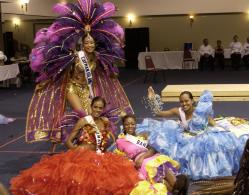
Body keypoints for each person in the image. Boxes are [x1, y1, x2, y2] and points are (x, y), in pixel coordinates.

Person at [26, 0, 133, 147]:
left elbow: (106, 69)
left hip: (86, 88)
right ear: (82, 44)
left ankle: (85, 140)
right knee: (82, 113)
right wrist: (44, 83)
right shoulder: (75, 57)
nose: (90, 45)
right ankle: (71, 141)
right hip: (72, 88)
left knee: (92, 114)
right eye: (87, 43)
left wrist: (112, 73)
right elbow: (59, 71)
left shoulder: (97, 56)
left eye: (92, 43)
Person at [10, 97, 140, 195]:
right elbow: (69, 141)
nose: (97, 110)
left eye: (100, 108)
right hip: (82, 155)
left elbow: (108, 140)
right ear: (91, 107)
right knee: (79, 183)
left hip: (99, 155)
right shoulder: (84, 121)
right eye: (95, 107)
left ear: (103, 109)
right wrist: (75, 153)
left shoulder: (105, 121)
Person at [141, 86, 249, 180]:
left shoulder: (200, 111)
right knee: (168, 137)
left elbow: (211, 122)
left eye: (186, 101)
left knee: (218, 145)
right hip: (186, 138)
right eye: (181, 101)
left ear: (192, 101)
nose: (184, 104)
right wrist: (151, 99)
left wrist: (222, 129)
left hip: (202, 136)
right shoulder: (178, 111)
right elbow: (158, 113)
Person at [115, 114, 188, 195]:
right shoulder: (120, 141)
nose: (130, 126)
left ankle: (179, 187)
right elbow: (121, 159)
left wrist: (143, 157)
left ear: (136, 124)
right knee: (154, 170)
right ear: (123, 126)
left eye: (132, 124)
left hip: (150, 157)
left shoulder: (142, 135)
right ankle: (178, 188)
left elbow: (153, 149)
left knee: (161, 165)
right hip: (140, 164)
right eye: (127, 124)